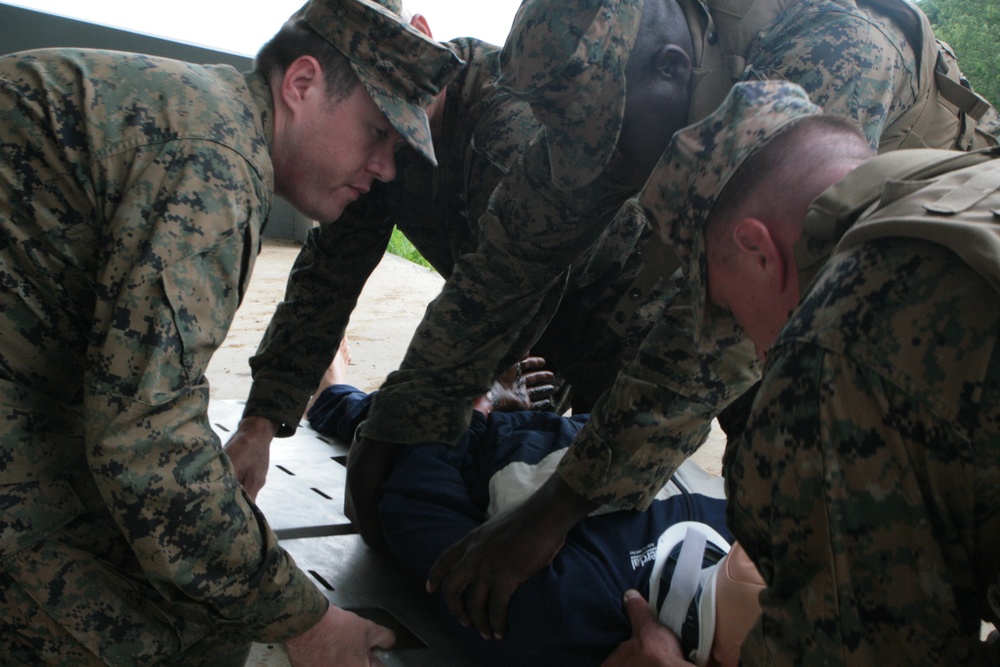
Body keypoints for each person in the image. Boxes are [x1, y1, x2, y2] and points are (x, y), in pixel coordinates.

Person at [412, 0, 1000, 643]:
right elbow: (515, 249)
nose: (608, 169)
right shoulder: (664, 91)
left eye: (717, 293)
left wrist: (558, 507)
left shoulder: (835, 54)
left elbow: (712, 351)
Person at [0, 0, 463, 663]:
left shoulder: (210, 120)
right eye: (376, 132)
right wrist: (307, 621)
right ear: (301, 86)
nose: (388, 167)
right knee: (151, 640)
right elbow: (145, 443)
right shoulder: (213, 160)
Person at [223, 1, 680, 502]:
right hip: (530, 334)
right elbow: (327, 277)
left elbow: (500, 296)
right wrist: (259, 424)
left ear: (421, 33)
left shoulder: (506, 128)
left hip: (625, 328)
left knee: (599, 510)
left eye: (384, 129)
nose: (385, 163)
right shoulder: (383, 134)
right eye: (375, 128)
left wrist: (417, 419)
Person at [635, 78, 1000, 664]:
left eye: (730, 310)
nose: (756, 354)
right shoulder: (966, 183)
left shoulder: (842, 339)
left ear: (758, 250)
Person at [304, 349, 763, 666]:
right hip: (577, 436)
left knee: (388, 423)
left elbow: (415, 507)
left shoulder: (569, 614)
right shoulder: (746, 524)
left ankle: (329, 389)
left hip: (484, 444)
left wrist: (477, 408)